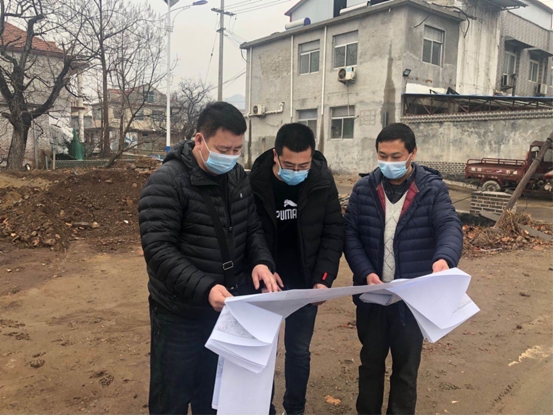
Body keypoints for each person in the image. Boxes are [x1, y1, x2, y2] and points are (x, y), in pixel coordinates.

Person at [138, 101, 280, 415]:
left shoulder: (237, 177)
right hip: (180, 314)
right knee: (172, 396)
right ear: (199, 140)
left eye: (237, 150)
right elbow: (159, 250)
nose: (230, 157)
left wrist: (261, 261)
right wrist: (205, 288)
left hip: (226, 307)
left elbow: (251, 228)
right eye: (223, 149)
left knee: (216, 394)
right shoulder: (167, 182)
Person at [344, 123, 463, 415]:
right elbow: (351, 235)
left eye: (396, 157)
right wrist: (365, 272)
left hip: (411, 300)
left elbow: (449, 225)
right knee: (370, 364)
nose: (388, 163)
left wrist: (444, 258)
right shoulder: (364, 189)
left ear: (412, 153)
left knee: (406, 370)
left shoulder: (431, 189)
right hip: (373, 296)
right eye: (382, 156)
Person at [249, 123, 344, 415]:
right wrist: (262, 265)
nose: (297, 171)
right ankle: (264, 408)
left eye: (303, 165)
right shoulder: (255, 182)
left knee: (299, 351)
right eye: (289, 165)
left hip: (305, 282)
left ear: (312, 157)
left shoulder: (321, 180)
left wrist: (323, 279)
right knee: (261, 352)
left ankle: (295, 409)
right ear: (276, 155)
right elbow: (248, 231)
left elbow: (333, 232)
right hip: (265, 283)